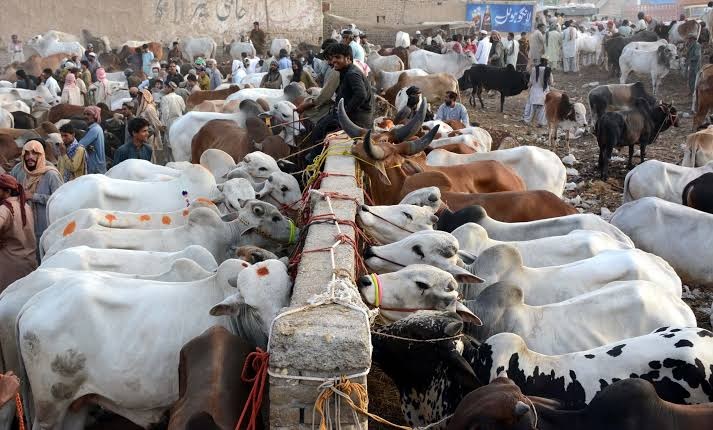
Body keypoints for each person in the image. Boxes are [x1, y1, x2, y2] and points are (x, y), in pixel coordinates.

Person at [306, 43, 373, 162]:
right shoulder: (346, 72)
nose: (333, 61)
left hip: (357, 118)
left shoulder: (352, 74)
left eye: (338, 57)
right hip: (353, 114)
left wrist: (344, 111)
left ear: (348, 58)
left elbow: (360, 94)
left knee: (320, 129)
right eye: (332, 58)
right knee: (322, 123)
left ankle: (314, 161)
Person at [10, 140, 62, 253]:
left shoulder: (51, 174)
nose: (30, 157)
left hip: (46, 227)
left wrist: (34, 196)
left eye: (34, 153)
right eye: (27, 153)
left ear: (41, 155)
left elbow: (60, 201)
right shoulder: (19, 170)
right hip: (25, 226)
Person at [0, 174, 36, 290]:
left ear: (7, 191)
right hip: (29, 263)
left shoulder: (5, 209)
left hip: (9, 268)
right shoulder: (25, 206)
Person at [296, 41, 340, 125]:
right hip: (332, 99)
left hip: (338, 107)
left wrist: (306, 105)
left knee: (314, 121)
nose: (328, 62)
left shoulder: (336, 71)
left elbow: (326, 96)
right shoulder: (331, 67)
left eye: (330, 59)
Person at [135, 89, 165, 164]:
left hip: (148, 135)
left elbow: (156, 122)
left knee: (149, 153)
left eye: (140, 96)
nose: (138, 98)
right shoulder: (142, 108)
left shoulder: (149, 108)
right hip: (141, 134)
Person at [523, 57, 553, 127]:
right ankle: (541, 123)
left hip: (534, 92)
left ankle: (527, 121)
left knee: (531, 108)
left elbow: (531, 82)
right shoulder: (548, 70)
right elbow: (550, 82)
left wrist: (528, 86)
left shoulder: (534, 69)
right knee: (542, 109)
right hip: (544, 92)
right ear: (546, 62)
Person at [78, 106, 106, 174]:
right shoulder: (95, 128)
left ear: (95, 116)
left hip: (95, 166)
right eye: (84, 114)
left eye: (88, 114)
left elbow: (80, 145)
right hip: (97, 165)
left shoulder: (94, 129)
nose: (85, 116)